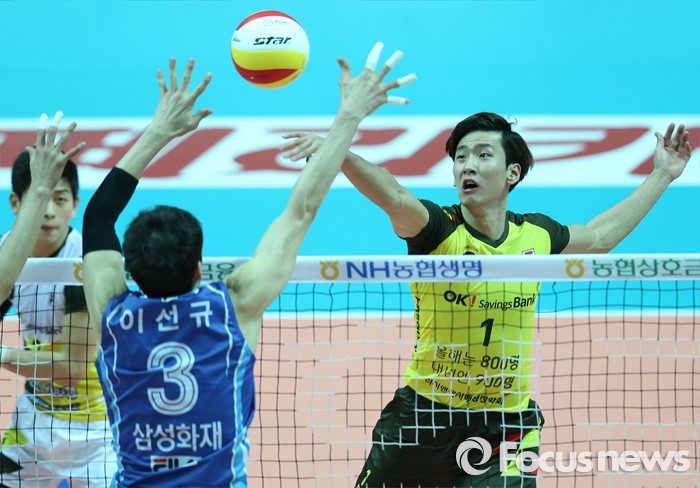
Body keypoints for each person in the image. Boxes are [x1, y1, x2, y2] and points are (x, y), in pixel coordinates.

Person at [280, 114, 693, 487]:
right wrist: (340, 152)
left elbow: (599, 237)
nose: (468, 165)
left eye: (482, 154)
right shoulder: (438, 231)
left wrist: (662, 174)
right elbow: (395, 196)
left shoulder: (536, 236)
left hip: (506, 426)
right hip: (422, 420)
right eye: (460, 157)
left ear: (513, 173)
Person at [81, 44, 416, 487]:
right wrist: (349, 115)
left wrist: (158, 131)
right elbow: (302, 209)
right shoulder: (232, 306)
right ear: (199, 269)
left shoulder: (113, 316)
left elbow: (97, 216)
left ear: (130, 269)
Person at [0, 114, 117, 487]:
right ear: (17, 202)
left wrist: (3, 355)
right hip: (32, 425)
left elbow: (71, 368)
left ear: (75, 204)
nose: (49, 210)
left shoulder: (82, 261)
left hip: (96, 433)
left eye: (60, 198)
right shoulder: (7, 255)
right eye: (41, 197)